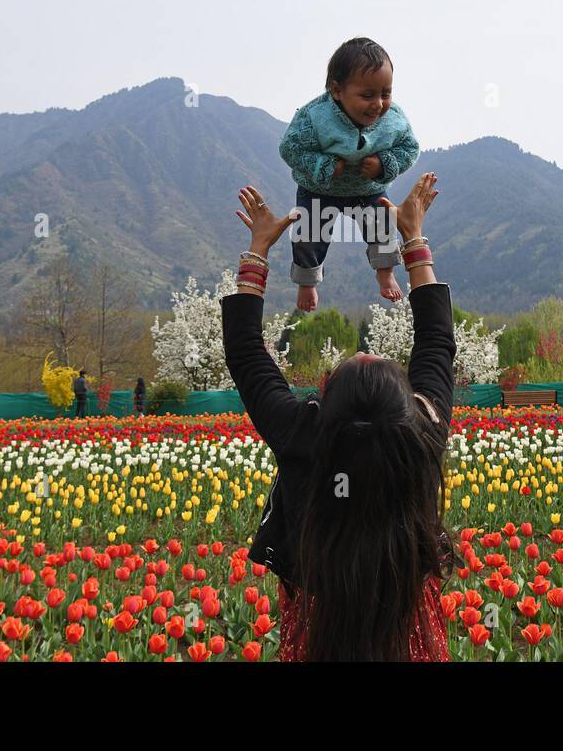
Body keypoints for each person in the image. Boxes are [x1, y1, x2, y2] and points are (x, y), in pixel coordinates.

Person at [222, 174, 454, 661]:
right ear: (405, 404)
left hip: (318, 622)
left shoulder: (304, 435)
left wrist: (259, 249)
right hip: (407, 618)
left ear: (324, 405)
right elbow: (435, 342)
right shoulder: (420, 435)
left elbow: (246, 353)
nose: (362, 352)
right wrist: (413, 237)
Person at [278, 37, 420, 313]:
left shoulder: (394, 120)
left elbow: (410, 149)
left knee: (382, 225)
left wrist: (383, 164)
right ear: (337, 90)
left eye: (385, 93)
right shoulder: (314, 117)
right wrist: (324, 166)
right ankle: (307, 282)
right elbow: (290, 149)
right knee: (308, 234)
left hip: (367, 190)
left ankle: (385, 272)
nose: (378, 104)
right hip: (318, 188)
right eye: (367, 95)